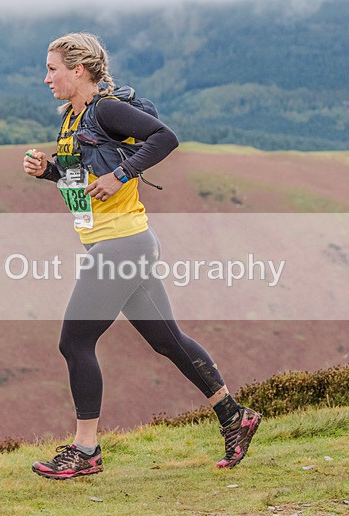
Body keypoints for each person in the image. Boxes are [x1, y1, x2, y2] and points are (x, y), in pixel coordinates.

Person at [22, 32, 261, 480]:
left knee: (74, 341)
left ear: (79, 69)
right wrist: (49, 171)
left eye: (52, 68)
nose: (46, 77)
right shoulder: (72, 118)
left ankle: (86, 450)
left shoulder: (106, 107)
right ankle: (235, 417)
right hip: (117, 241)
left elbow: (165, 138)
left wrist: (121, 173)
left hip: (122, 245)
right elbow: (82, 179)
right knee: (167, 341)